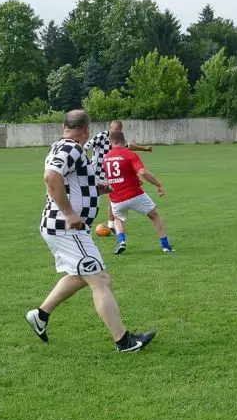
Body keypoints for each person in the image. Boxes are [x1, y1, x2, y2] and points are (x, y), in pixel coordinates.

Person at [25, 109, 156, 353]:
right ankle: (124, 342)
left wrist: (96, 188)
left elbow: (69, 181)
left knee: (80, 275)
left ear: (65, 127)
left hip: (62, 227)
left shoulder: (62, 146)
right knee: (100, 279)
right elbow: (51, 177)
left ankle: (40, 315)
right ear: (86, 129)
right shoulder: (71, 148)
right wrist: (69, 213)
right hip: (66, 228)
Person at [102, 130, 172, 255]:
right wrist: (159, 185)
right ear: (124, 140)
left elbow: (115, 176)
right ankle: (166, 246)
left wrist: (134, 179)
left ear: (110, 142)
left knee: (118, 218)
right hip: (134, 194)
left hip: (116, 198)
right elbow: (143, 172)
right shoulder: (130, 154)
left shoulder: (106, 157)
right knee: (154, 215)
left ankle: (121, 241)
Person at [87, 119, 152, 179]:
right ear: (110, 127)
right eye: (116, 129)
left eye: (119, 130)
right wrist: (85, 163)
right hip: (96, 173)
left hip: (109, 174)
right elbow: (86, 146)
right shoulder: (101, 136)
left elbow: (128, 146)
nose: (117, 132)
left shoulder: (118, 139)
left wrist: (144, 148)